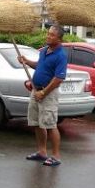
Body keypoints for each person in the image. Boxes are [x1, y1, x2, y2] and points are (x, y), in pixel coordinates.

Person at [19, 25, 67, 167]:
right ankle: (42, 152)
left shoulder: (61, 55)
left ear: (59, 39)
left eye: (52, 35)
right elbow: (39, 65)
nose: (48, 36)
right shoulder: (45, 51)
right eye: (48, 33)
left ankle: (56, 156)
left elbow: (58, 78)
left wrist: (44, 92)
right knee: (37, 123)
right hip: (36, 91)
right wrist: (27, 61)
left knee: (50, 124)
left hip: (48, 94)